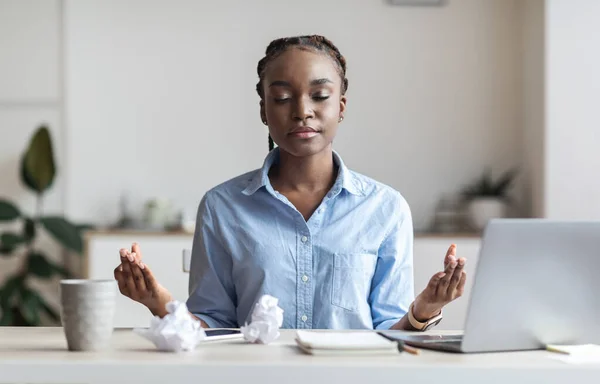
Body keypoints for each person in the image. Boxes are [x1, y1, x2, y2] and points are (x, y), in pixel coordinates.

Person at [114, 35, 467, 330]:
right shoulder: (222, 207)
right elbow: (214, 329)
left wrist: (425, 309)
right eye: (282, 98)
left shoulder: (386, 209)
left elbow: (389, 333)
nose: (302, 110)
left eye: (319, 96)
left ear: (341, 106)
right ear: (264, 110)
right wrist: (157, 302)